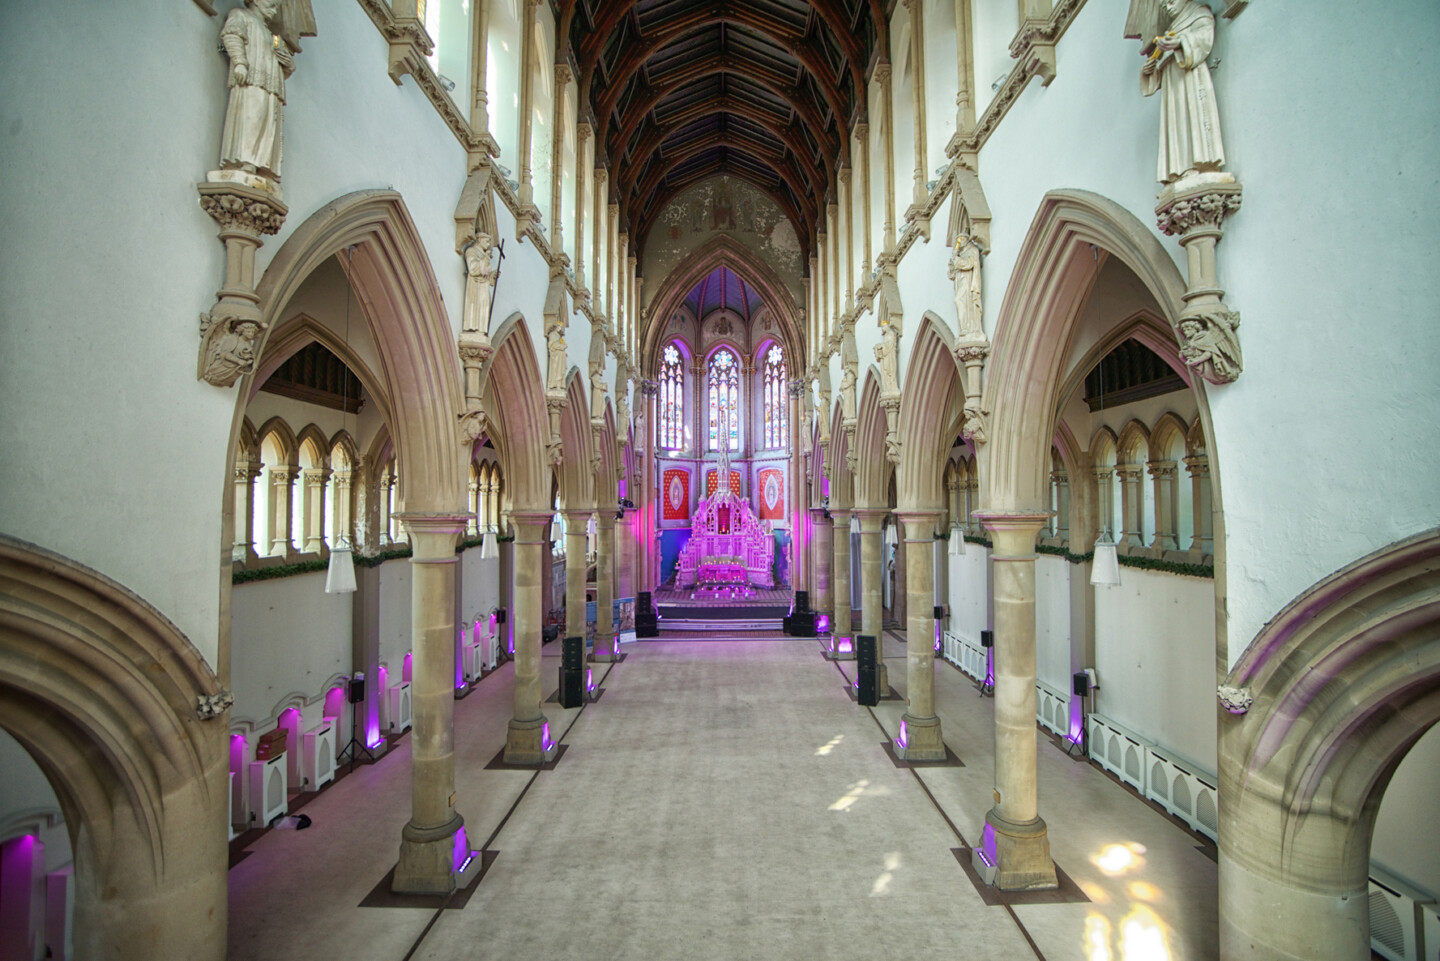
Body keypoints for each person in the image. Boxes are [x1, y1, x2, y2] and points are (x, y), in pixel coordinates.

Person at [1140, 0, 1224, 184]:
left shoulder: (1199, 12)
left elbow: (1203, 38)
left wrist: (1181, 42)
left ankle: (1201, 163)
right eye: (1165, 5)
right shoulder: (1171, 27)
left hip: (1190, 80)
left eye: (1171, 1)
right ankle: (1180, 169)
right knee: (1176, 123)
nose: (1168, 7)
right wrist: (1151, 70)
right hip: (1172, 86)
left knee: (1191, 116)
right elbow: (1160, 65)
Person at [219, 0, 294, 179]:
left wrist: (288, 63)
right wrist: (239, 62)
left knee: (269, 123)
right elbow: (231, 36)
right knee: (252, 117)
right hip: (252, 80)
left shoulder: (271, 34)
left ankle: (261, 163)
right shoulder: (241, 15)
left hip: (271, 86)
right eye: (272, 3)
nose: (274, 9)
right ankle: (245, 160)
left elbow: (287, 68)